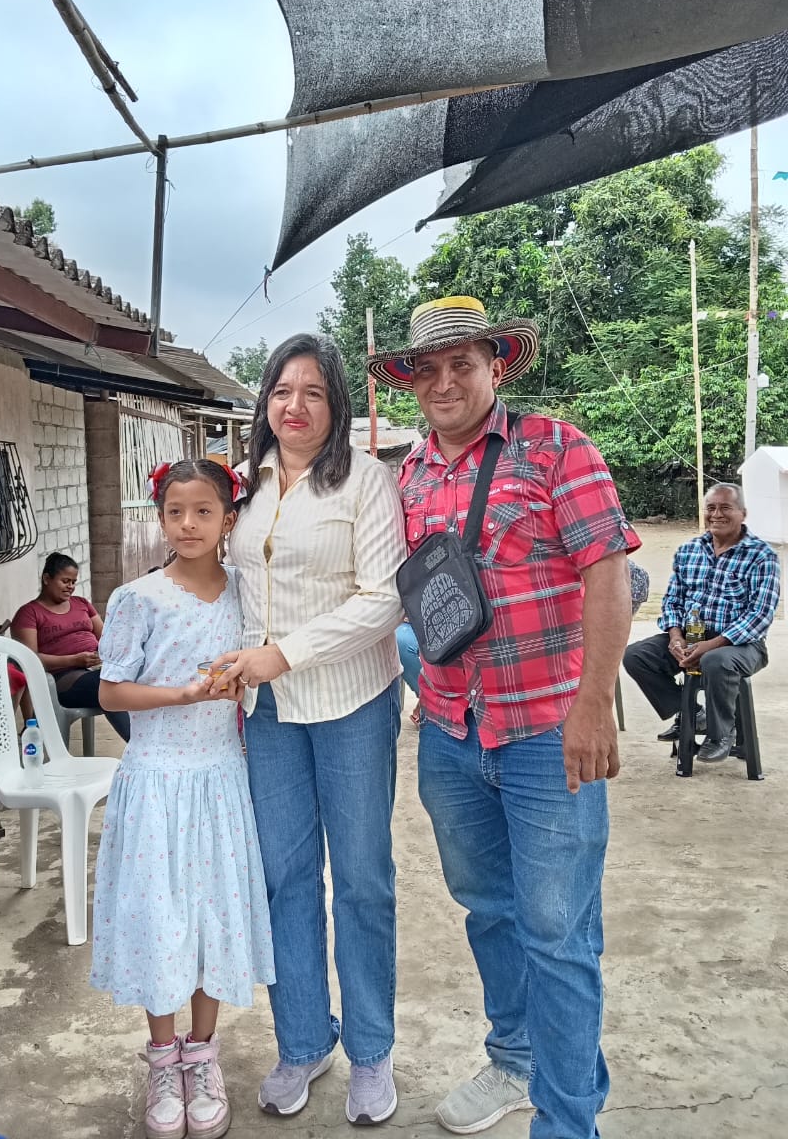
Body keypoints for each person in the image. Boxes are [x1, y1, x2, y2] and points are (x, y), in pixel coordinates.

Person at [369, 296, 640, 1139]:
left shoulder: (557, 447)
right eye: (428, 368)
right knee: (488, 910)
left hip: (547, 734)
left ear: (497, 366)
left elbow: (608, 574)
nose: (444, 382)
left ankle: (566, 1120)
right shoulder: (409, 475)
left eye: (463, 363)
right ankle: (517, 1058)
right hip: (452, 734)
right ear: (411, 381)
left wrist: (593, 706)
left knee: (559, 934)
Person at [210, 333, 406, 1126]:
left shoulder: (367, 480)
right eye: (282, 391)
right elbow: (227, 581)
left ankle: (370, 1051)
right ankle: (302, 1041)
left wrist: (283, 654)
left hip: (352, 704)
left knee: (361, 881)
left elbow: (384, 599)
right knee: (284, 880)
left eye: (313, 392)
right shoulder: (245, 484)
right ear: (265, 401)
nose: (294, 406)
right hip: (269, 717)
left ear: (336, 406)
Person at [90, 459, 274, 1139]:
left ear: (229, 520)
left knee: (209, 915)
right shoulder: (137, 598)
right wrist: (184, 694)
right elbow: (110, 691)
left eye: (203, 511)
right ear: (160, 518)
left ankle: (203, 1053)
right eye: (175, 512)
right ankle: (162, 1059)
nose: (188, 524)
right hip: (157, 781)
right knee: (160, 917)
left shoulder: (249, 595)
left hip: (220, 778)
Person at [623, 483, 779, 763]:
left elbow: (760, 615)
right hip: (692, 636)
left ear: (743, 513)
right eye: (711, 508)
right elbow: (672, 601)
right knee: (636, 656)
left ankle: (722, 734)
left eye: (725, 508)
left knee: (715, 661)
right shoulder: (689, 550)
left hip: (742, 644)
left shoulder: (761, 556)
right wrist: (675, 637)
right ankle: (693, 714)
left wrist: (713, 645)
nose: (716, 514)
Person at [11, 553, 129, 743]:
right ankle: (141, 747)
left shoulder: (82, 604)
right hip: (61, 679)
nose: (70, 587)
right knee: (109, 685)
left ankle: (155, 744)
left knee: (138, 679)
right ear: (47, 578)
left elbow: (106, 638)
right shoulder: (29, 613)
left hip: (97, 669)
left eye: (73, 582)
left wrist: (108, 653)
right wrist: (74, 660)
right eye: (65, 581)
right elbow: (29, 660)